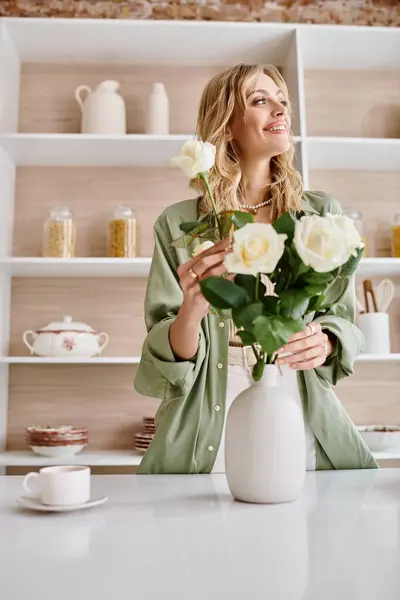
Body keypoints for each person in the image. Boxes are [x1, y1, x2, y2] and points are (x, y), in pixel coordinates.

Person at [134, 63, 377, 474]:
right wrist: (193, 309)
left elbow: (343, 319)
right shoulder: (177, 225)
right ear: (226, 126)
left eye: (282, 102)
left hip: (295, 401)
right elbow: (167, 355)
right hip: (208, 413)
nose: (280, 110)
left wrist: (327, 341)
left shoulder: (320, 215)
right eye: (260, 101)